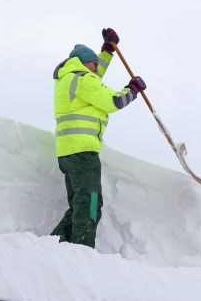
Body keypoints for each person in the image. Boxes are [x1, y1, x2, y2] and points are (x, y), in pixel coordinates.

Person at [50, 28, 146, 248]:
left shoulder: (69, 78)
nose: (97, 67)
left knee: (79, 204)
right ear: (84, 64)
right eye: (94, 63)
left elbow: (95, 74)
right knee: (90, 204)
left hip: (68, 152)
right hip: (83, 152)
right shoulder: (83, 81)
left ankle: (52, 247)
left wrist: (106, 50)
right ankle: (81, 250)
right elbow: (113, 101)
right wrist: (132, 90)